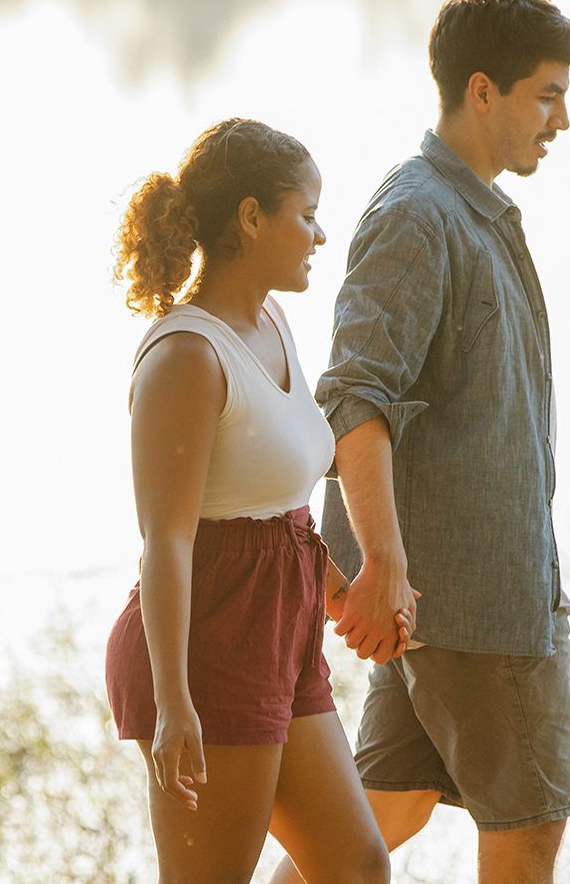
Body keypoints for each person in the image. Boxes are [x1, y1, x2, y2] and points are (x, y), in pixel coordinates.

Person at [270, 0, 570, 883]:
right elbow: (354, 400)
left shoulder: (475, 208)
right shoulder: (418, 215)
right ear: (481, 91)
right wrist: (382, 565)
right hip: (475, 612)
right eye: (546, 96)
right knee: (529, 826)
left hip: (443, 604)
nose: (562, 119)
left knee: (380, 815)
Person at [103, 118, 410, 884]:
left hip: (280, 631)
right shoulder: (185, 354)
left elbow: (280, 505)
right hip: (207, 642)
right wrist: (175, 704)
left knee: (356, 866)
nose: (319, 233)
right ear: (250, 216)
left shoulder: (270, 322)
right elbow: (167, 541)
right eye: (305, 214)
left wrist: (341, 592)